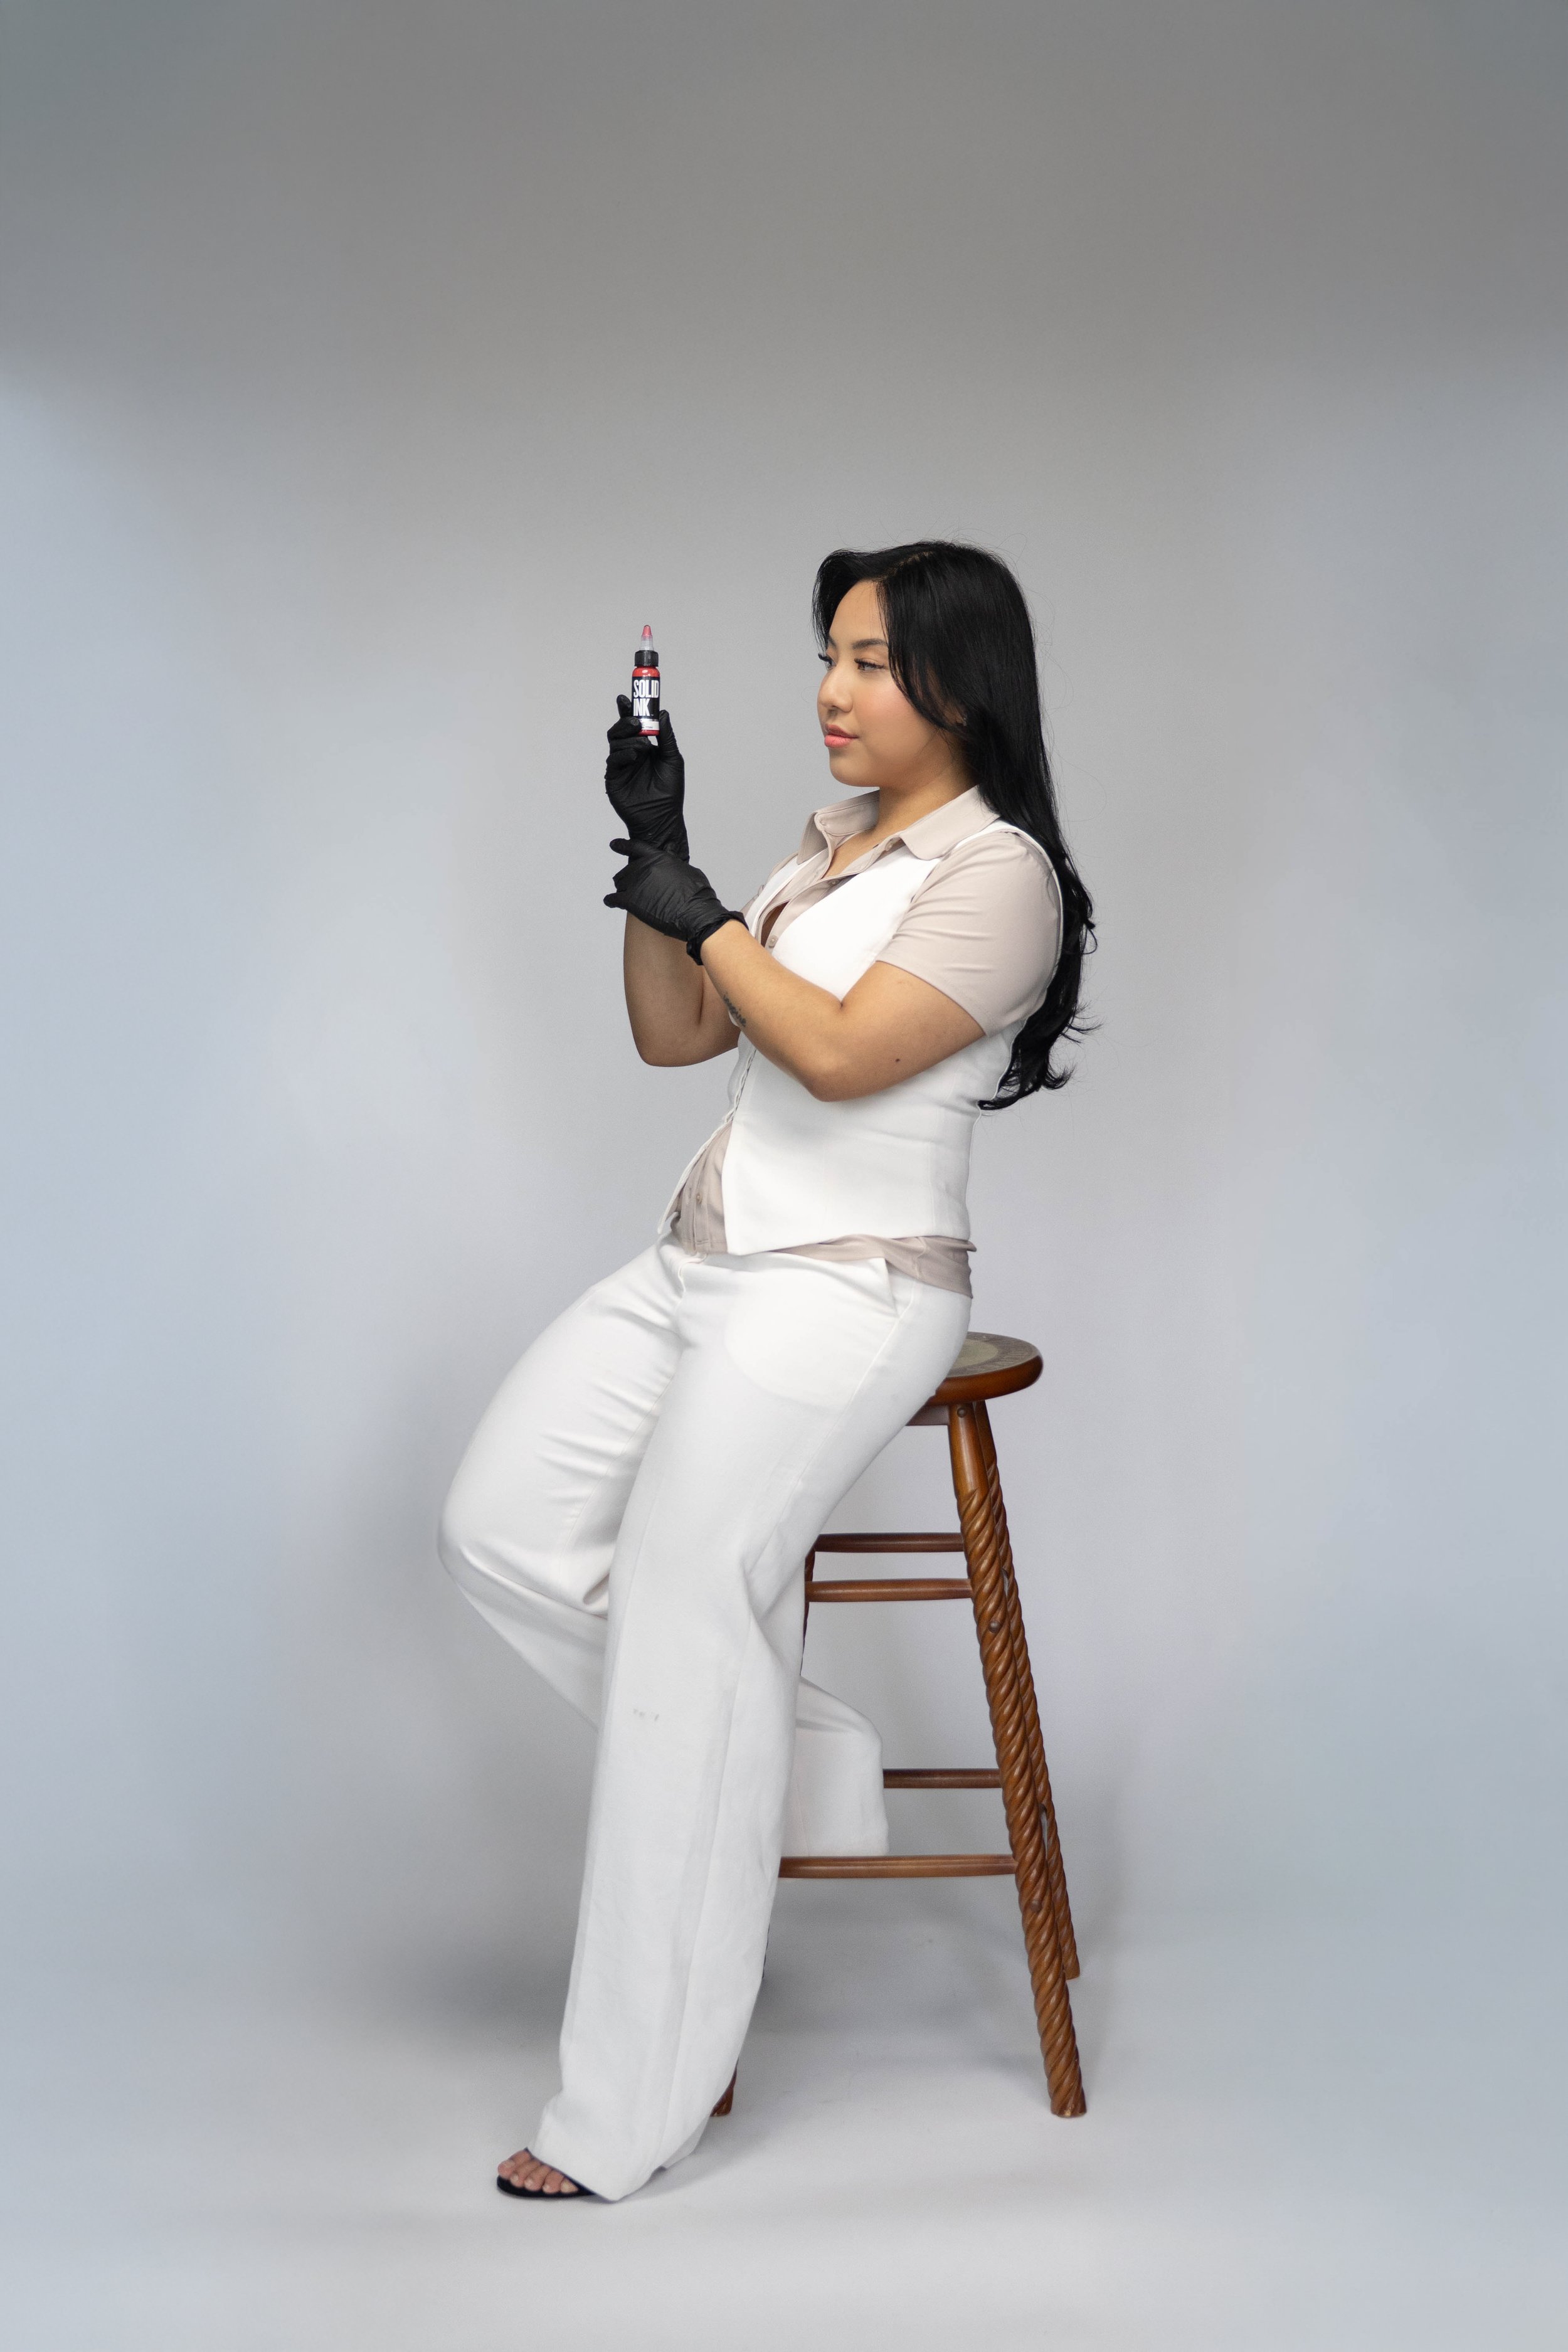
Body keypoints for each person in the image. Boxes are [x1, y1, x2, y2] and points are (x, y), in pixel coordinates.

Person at [438, 541, 1094, 2202]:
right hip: (706, 1259)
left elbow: (833, 1049)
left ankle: (622, 2113)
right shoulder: (824, 854)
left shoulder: (996, 873)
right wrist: (658, 864)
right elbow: (681, 1037)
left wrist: (708, 914)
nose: (830, 689)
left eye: (870, 661)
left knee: (679, 1595)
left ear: (961, 683)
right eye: (829, 655)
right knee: (499, 1524)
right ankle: (797, 1760)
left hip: (852, 1287)